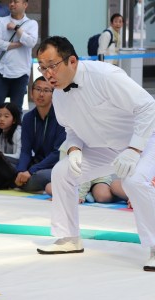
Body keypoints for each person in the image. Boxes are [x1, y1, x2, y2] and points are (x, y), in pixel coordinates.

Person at [35, 36, 155, 272]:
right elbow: (72, 130)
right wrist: (74, 150)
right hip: (105, 147)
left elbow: (147, 106)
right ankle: (68, 238)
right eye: (42, 67)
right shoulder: (58, 95)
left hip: (146, 137)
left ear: (72, 61)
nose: (48, 73)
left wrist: (133, 149)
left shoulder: (105, 76)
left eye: (52, 65)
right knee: (62, 172)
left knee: (134, 180)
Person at [0, 0, 38, 122]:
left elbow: (31, 42)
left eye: (16, 1)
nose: (12, 4)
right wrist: (16, 44)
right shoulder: (1, 21)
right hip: (2, 71)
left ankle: (15, 137)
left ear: (25, 5)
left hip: (21, 73)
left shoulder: (31, 24)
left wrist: (16, 28)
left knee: (16, 109)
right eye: (10, 1)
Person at [14, 76, 65, 192]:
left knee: (39, 177)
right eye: (38, 89)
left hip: (56, 166)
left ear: (53, 95)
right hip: (36, 163)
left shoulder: (61, 118)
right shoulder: (28, 118)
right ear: (31, 93)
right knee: (8, 164)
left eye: (46, 90)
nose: (41, 94)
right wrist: (21, 171)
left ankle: (21, 182)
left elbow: (57, 154)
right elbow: (26, 150)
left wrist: (31, 171)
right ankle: (21, 180)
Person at [0, 102, 21, 169]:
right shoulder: (2, 132)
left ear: (14, 120)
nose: (1, 119)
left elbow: (19, 157)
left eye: (6, 116)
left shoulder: (18, 132)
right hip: (9, 163)